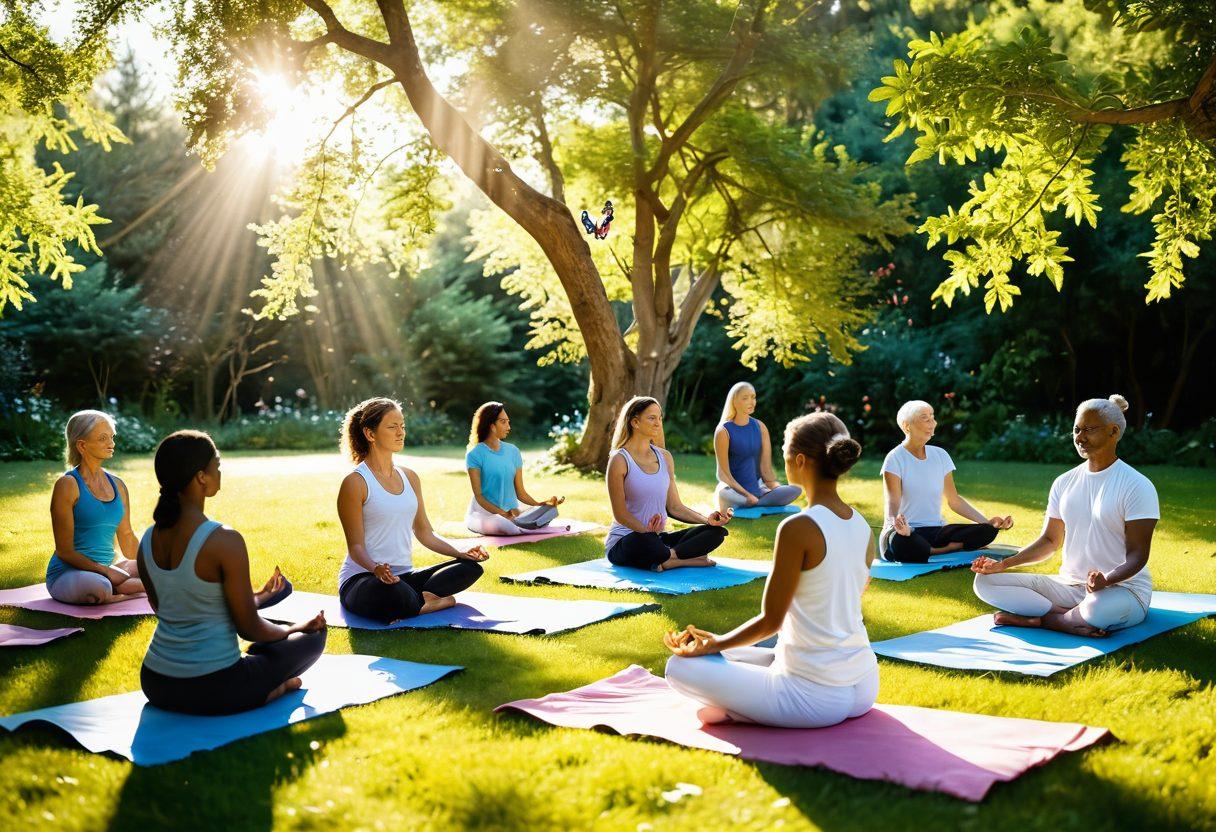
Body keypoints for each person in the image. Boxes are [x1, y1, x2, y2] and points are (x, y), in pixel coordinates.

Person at [663, 412, 878, 729]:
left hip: (813, 697)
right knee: (730, 653)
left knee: (678, 666)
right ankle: (739, 707)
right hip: (863, 685)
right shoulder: (861, 525)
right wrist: (719, 643)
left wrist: (715, 645)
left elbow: (771, 621)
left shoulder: (799, 527)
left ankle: (738, 710)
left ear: (800, 460)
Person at [136, 431, 326, 716]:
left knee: (272, 627)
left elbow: (171, 607)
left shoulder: (147, 540)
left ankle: (265, 681)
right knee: (313, 637)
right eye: (218, 464)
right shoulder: (224, 540)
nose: (220, 471)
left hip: (156, 682)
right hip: (216, 687)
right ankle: (274, 689)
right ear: (202, 476)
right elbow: (249, 628)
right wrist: (295, 629)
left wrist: (258, 598)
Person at [972, 395, 1158, 636]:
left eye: (1088, 430)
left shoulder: (1137, 485)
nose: (1080, 437)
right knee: (985, 583)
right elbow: (1050, 541)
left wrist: (1107, 580)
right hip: (1069, 586)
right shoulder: (1064, 482)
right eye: (1076, 429)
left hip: (1123, 589)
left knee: (1096, 610)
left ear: (1113, 432)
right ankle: (1065, 618)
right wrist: (1003, 565)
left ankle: (1044, 620)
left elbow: (1138, 555)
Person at [336, 398, 490, 623]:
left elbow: (425, 532)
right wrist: (376, 568)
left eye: (402, 426)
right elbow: (356, 547)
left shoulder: (410, 477)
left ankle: (416, 602)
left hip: (404, 577)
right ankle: (436, 601)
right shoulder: (356, 482)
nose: (401, 432)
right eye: (392, 427)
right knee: (395, 593)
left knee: (469, 568)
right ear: (370, 434)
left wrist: (461, 551)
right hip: (363, 578)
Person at [604, 397, 731, 571]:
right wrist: (646, 530)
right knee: (648, 542)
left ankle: (666, 558)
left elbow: (675, 507)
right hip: (628, 540)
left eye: (660, 418)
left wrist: (707, 520)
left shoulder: (665, 457)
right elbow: (620, 514)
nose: (658, 423)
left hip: (658, 539)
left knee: (715, 533)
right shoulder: (619, 460)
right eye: (651, 418)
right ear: (635, 422)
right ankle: (685, 559)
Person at [879, 400, 1013, 563]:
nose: (933, 423)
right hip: (908, 532)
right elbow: (892, 500)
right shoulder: (895, 458)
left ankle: (932, 550)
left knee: (986, 532)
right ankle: (948, 548)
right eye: (925, 418)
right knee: (900, 543)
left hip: (937, 531)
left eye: (932, 417)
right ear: (907, 426)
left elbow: (954, 500)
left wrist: (987, 523)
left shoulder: (940, 455)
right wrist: (894, 525)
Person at [44, 410, 144, 604]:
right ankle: (137, 588)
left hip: (108, 568)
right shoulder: (67, 485)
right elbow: (64, 551)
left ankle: (125, 586)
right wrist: (106, 571)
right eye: (102, 438)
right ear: (82, 445)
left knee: (159, 568)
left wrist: (156, 566)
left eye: (112, 437)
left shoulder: (119, 485)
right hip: (70, 574)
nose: (112, 443)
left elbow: (127, 537)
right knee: (99, 587)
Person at [464, 401, 565, 536]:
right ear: (491, 426)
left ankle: (524, 523)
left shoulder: (513, 451)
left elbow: (520, 492)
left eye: (508, 422)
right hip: (484, 514)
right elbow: (479, 497)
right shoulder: (474, 455)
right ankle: (525, 525)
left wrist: (540, 505)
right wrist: (504, 514)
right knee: (506, 526)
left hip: (512, 511)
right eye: (503, 422)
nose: (508, 426)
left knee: (547, 513)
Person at [714, 382, 801, 512]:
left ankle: (757, 501)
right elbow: (723, 475)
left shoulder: (760, 427)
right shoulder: (723, 431)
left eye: (753, 397)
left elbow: (766, 471)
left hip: (758, 487)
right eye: (745, 398)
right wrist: (747, 494)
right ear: (734, 402)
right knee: (724, 493)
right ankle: (755, 501)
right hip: (733, 490)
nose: (751, 402)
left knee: (795, 490)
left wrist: (775, 488)